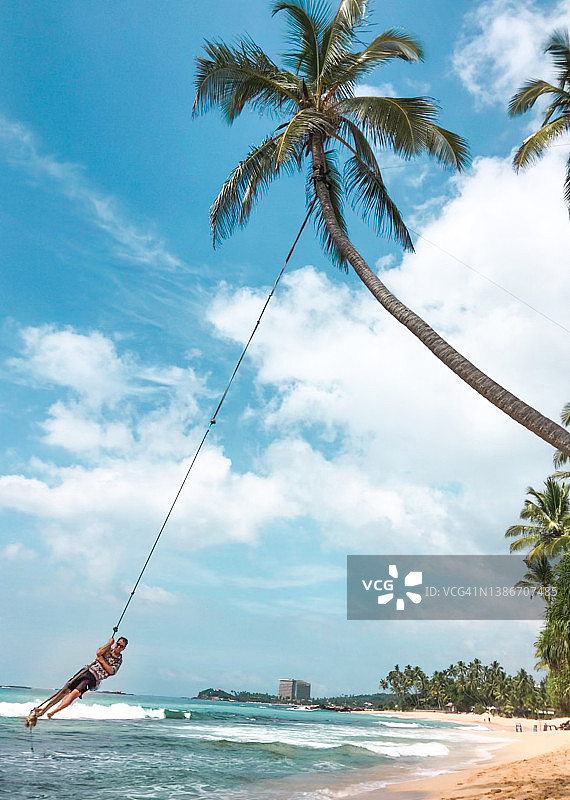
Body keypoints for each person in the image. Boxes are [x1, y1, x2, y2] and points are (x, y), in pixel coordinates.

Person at [26, 637, 128, 726]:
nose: (118, 647)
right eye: (118, 644)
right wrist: (109, 643)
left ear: (124, 648)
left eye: (121, 646)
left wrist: (101, 661)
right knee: (64, 692)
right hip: (86, 671)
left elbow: (111, 671)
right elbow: (98, 653)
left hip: (94, 678)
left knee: (74, 694)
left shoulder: (119, 660)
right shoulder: (108, 649)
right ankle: (43, 711)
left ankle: (53, 712)